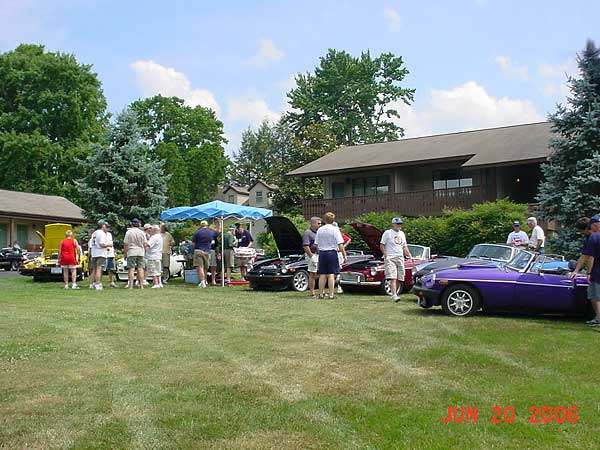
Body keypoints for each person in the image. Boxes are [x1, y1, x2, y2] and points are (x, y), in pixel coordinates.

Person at [570, 215, 600, 326]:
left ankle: (598, 318)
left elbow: (589, 257)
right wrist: (577, 270)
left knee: (595, 295)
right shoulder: (589, 238)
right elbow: (584, 256)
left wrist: (588, 273)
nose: (582, 234)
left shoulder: (593, 238)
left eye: (582, 231)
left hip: (596, 271)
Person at [380, 217, 413, 302]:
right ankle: (394, 295)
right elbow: (382, 245)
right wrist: (386, 255)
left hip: (400, 257)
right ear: (393, 224)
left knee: (400, 277)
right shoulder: (388, 233)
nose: (399, 226)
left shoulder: (402, 234)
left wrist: (409, 255)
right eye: (397, 224)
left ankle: (395, 294)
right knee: (392, 277)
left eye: (400, 224)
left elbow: (404, 246)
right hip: (390, 257)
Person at [315, 212, 347, 299]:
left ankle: (321, 294)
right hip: (332, 253)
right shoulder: (335, 229)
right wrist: (344, 255)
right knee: (331, 274)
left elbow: (317, 245)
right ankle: (331, 294)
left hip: (322, 253)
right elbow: (340, 244)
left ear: (324, 220)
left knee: (322, 274)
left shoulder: (320, 230)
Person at [192, 220, 218, 288]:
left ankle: (202, 282)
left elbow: (193, 244)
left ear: (201, 225)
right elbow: (218, 231)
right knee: (206, 267)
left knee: (200, 267)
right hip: (207, 251)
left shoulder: (197, 232)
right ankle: (205, 281)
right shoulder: (211, 232)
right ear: (207, 225)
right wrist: (219, 222)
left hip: (199, 250)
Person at [123, 218, 148, 289]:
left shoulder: (129, 232)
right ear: (139, 224)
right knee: (140, 269)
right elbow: (145, 243)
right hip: (140, 251)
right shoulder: (142, 232)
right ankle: (141, 285)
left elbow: (125, 244)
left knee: (131, 269)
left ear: (132, 224)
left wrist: (125, 253)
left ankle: (130, 285)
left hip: (132, 251)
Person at [89, 220, 111, 291]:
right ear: (102, 226)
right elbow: (102, 244)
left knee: (94, 269)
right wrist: (109, 245)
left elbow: (91, 243)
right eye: (105, 225)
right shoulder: (102, 233)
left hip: (94, 252)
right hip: (101, 253)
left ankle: (92, 284)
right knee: (99, 268)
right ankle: (98, 284)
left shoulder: (94, 233)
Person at [303, 217, 321, 298]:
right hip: (312, 255)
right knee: (313, 274)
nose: (320, 225)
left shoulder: (319, 232)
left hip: (320, 255)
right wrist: (312, 256)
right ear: (313, 224)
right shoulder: (308, 233)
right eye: (318, 223)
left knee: (321, 274)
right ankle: (312, 293)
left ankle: (321, 291)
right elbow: (306, 246)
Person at [333, 221, 352, 294]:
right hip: (333, 252)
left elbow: (348, 239)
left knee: (339, 269)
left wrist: (344, 247)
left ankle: (340, 286)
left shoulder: (339, 234)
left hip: (338, 253)